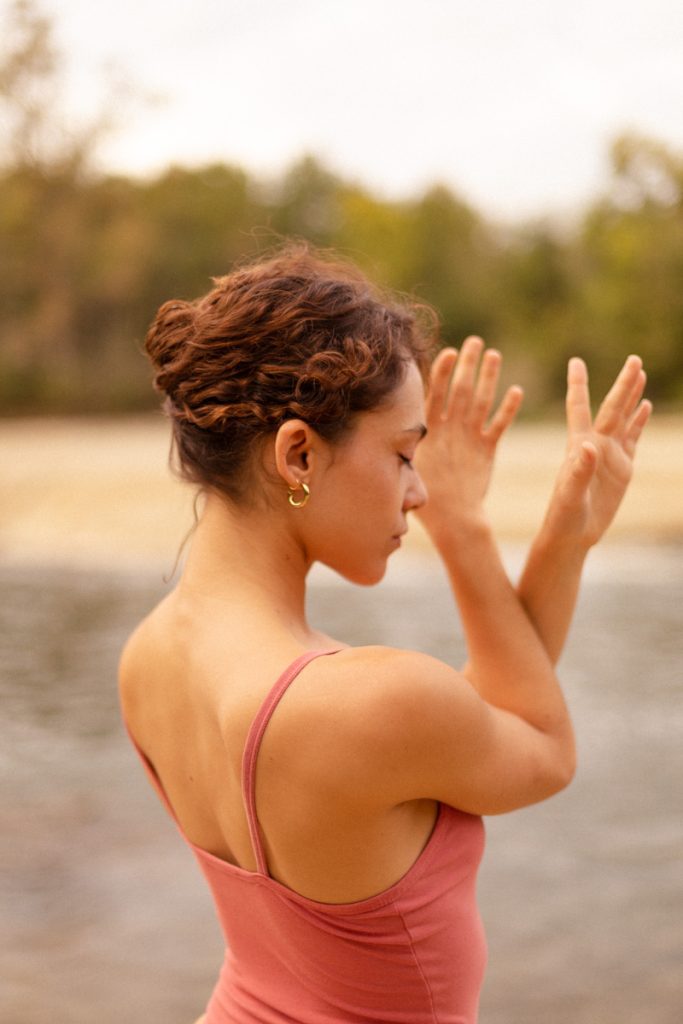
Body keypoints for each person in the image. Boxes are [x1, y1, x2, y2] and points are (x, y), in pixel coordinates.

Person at [119, 244, 651, 1024]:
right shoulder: (363, 706)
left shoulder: (148, 657)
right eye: (404, 454)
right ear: (298, 453)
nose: (420, 491)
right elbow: (538, 740)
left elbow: (475, 724)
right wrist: (466, 532)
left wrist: (553, 549)